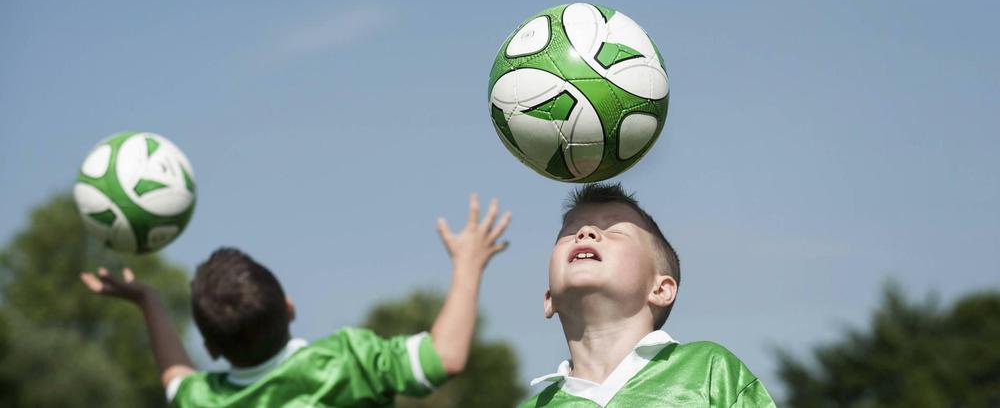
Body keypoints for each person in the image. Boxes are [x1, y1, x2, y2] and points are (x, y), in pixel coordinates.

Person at [81, 194, 511, 407]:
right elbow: (445, 357)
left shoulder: (207, 400)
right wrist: (468, 263)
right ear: (289, 307)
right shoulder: (346, 361)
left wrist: (148, 301)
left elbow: (174, 378)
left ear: (211, 347)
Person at [520, 183, 775, 407]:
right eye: (569, 231)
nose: (585, 232)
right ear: (549, 299)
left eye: (614, 230)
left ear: (661, 289)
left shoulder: (709, 371)